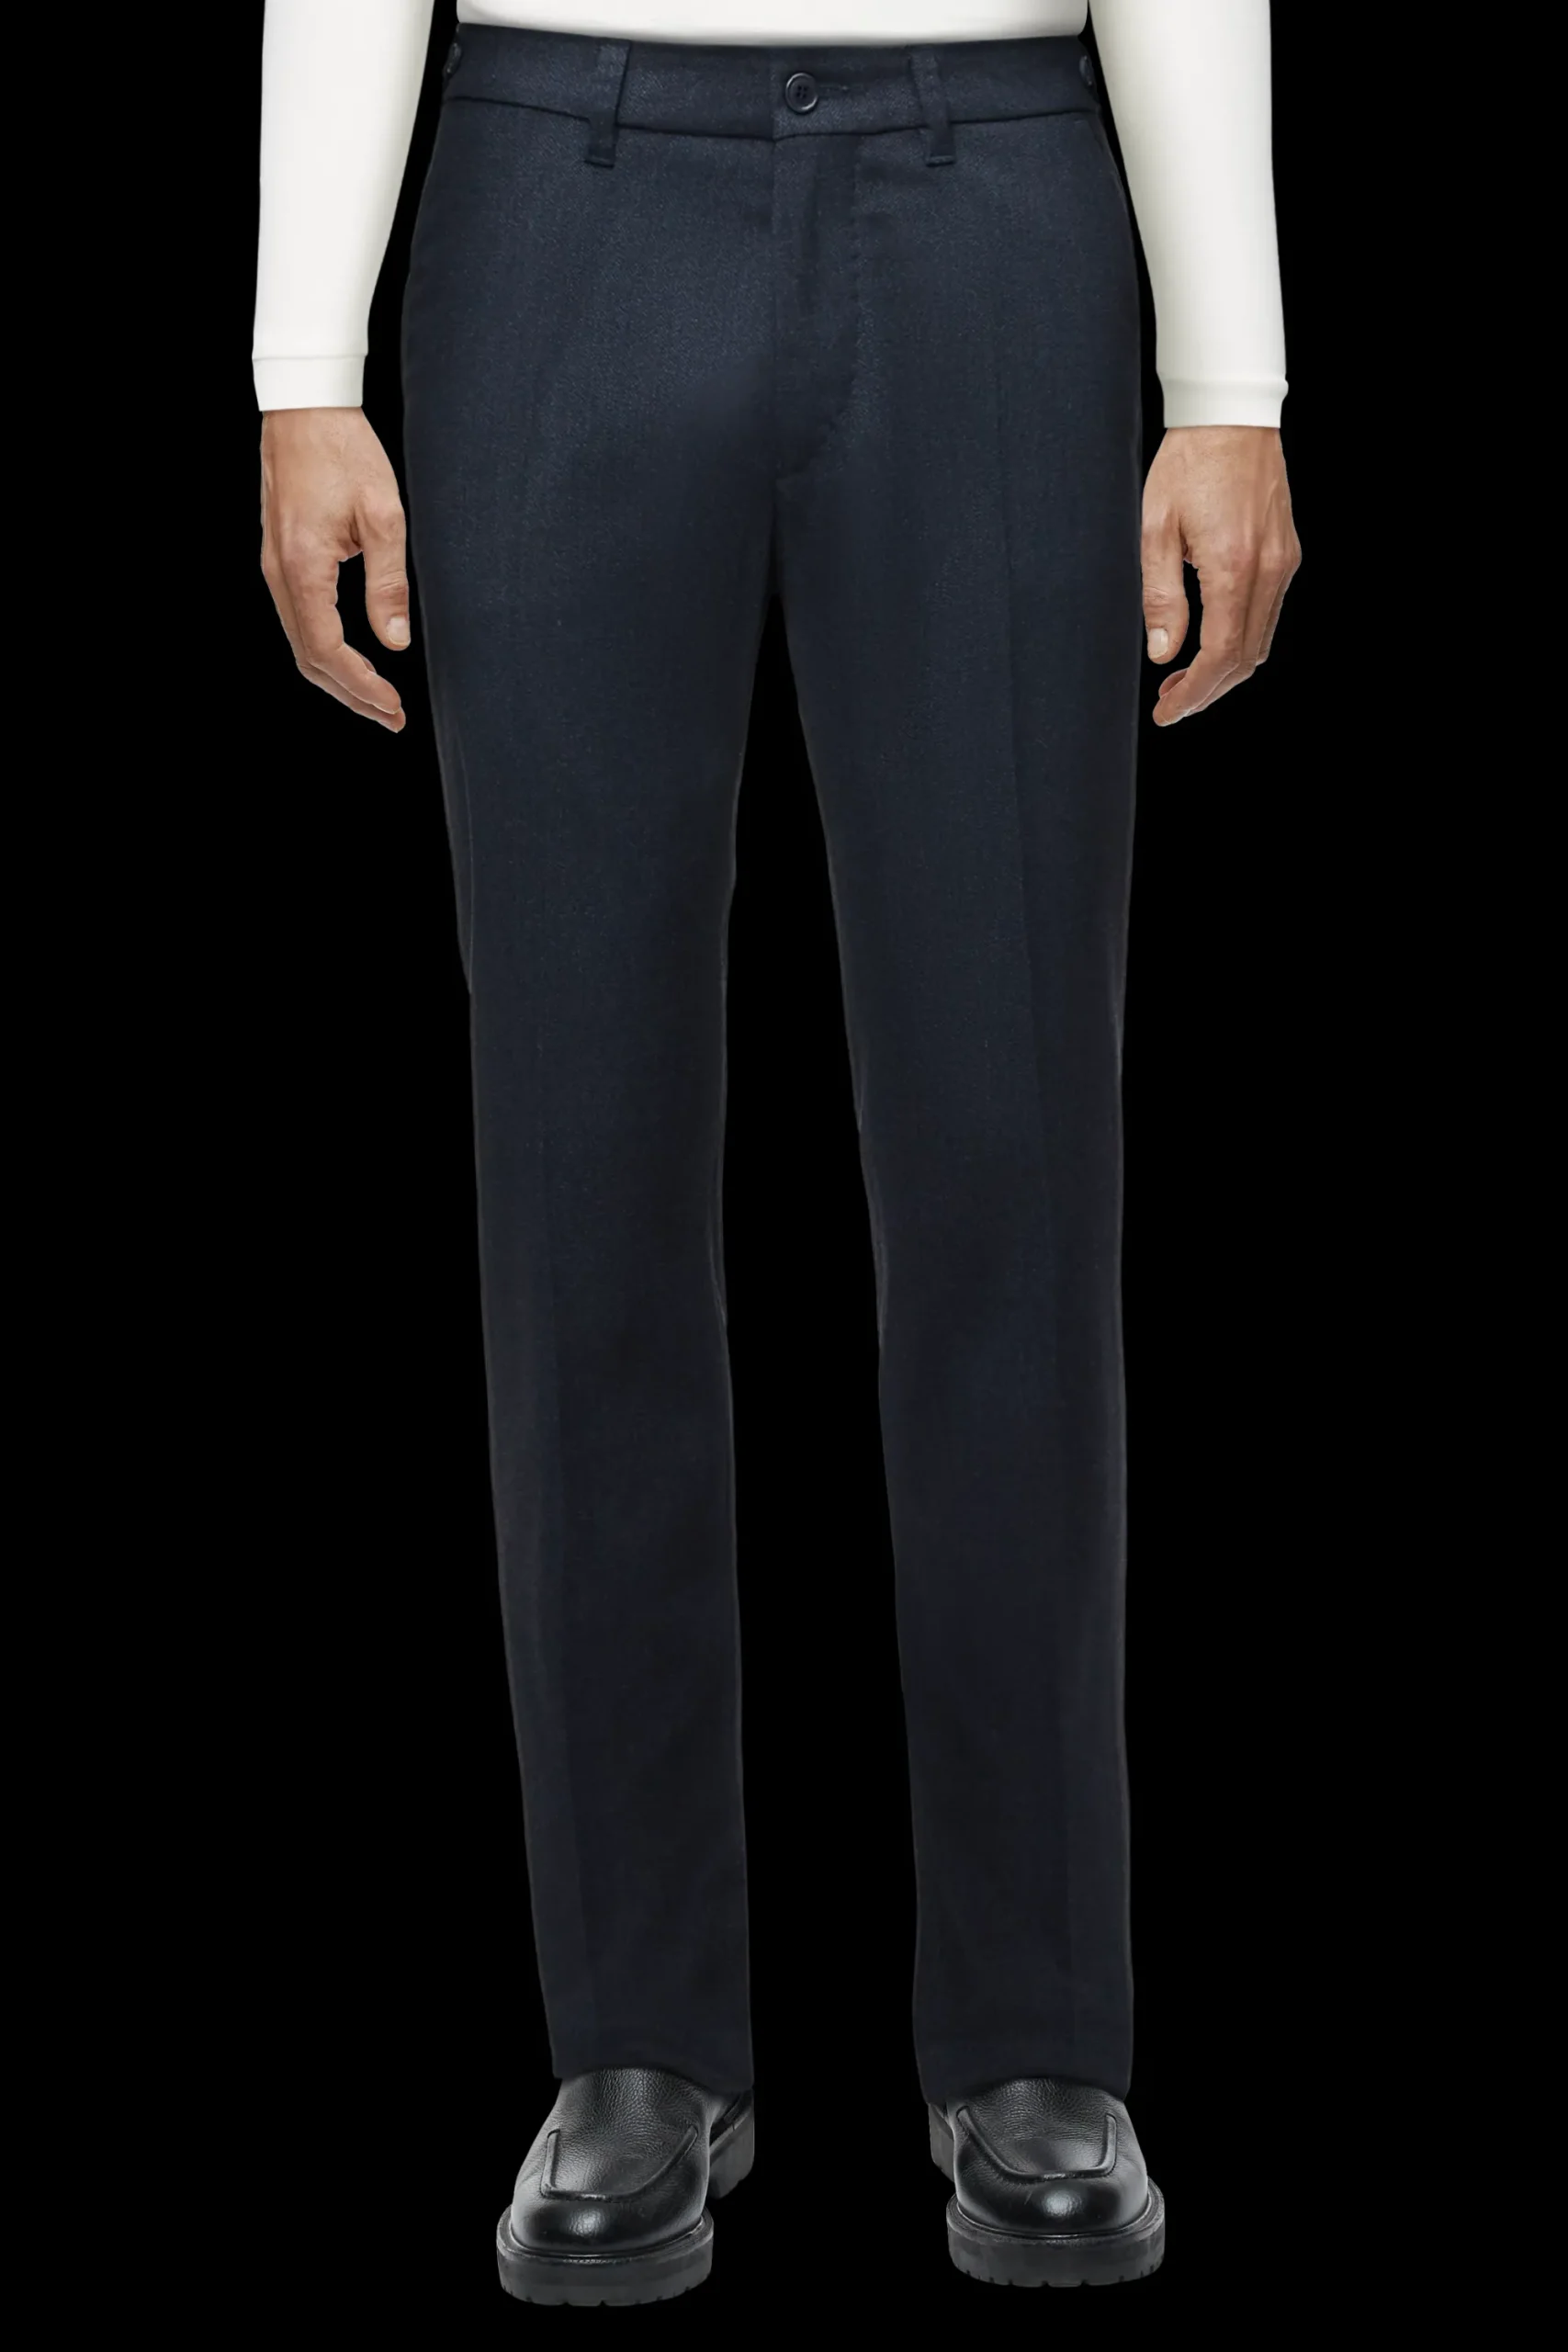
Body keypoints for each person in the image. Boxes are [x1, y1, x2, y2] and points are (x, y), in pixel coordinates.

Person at [255, 0, 1300, 2306]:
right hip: (558, 183)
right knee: (578, 1162)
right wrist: (298, 352)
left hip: (995, 189)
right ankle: (633, 2037)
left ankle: (1037, 2034)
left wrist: (1230, 375)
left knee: (1014, 1155)